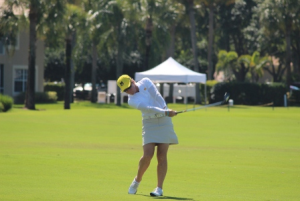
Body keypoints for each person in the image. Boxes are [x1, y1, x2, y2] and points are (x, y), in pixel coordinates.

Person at [117, 74, 178, 197]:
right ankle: (137, 180)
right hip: (149, 122)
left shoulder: (145, 81)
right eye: (125, 90)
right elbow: (149, 108)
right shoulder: (131, 100)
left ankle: (159, 188)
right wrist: (165, 112)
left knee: (161, 155)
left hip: (164, 122)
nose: (129, 91)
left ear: (132, 81)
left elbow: (157, 96)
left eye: (129, 87)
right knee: (147, 155)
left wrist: (165, 109)